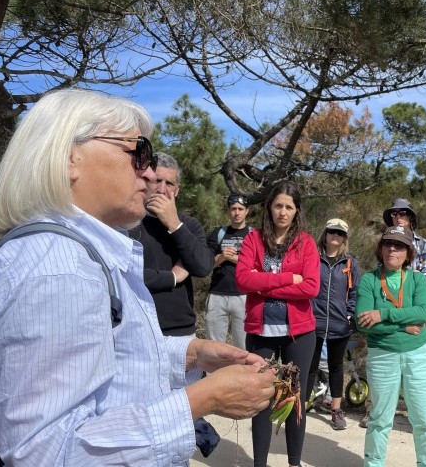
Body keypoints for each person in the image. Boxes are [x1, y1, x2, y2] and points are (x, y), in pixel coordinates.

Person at [0, 89, 275, 465]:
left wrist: (190, 353)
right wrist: (204, 399)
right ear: (71, 158)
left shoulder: (74, 254)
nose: (150, 172)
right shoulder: (61, 270)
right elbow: (46, 454)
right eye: (138, 151)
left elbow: (106, 353)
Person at [235, 181, 319, 467]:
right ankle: (260, 463)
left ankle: (293, 463)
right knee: (261, 400)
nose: (283, 212)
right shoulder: (253, 239)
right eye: (278, 205)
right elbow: (243, 279)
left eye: (289, 207)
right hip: (261, 333)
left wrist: (263, 283)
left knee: (293, 400)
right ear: (269, 208)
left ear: (297, 211)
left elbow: (310, 288)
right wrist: (285, 279)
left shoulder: (305, 242)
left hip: (299, 335)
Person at [356, 225, 426, 467]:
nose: (393, 248)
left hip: (419, 354)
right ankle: (373, 464)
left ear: (408, 253)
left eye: (400, 245)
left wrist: (382, 314)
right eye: (388, 243)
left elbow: (422, 313)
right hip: (383, 355)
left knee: (423, 419)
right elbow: (362, 322)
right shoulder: (369, 280)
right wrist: (402, 326)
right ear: (380, 249)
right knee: (380, 418)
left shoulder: (417, 279)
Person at [134, 152, 214, 337]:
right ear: (145, 181)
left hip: (181, 332)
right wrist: (171, 277)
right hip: (137, 328)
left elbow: (203, 267)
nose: (162, 190)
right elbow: (123, 274)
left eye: (169, 183)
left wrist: (174, 224)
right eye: (157, 181)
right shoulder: (127, 222)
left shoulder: (189, 225)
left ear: (177, 190)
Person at [306, 218, 362, 430]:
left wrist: (349, 315)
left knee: (335, 367)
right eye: (332, 232)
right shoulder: (313, 258)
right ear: (325, 234)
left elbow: (355, 292)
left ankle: (336, 410)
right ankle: (301, 405)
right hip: (314, 322)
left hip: (340, 324)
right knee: (310, 367)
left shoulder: (350, 263)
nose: (335, 236)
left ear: (345, 238)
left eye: (340, 233)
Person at [205, 194, 251, 349]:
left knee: (243, 346)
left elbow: (258, 265)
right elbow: (206, 263)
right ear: (228, 211)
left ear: (247, 211)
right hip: (217, 294)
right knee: (215, 346)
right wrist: (222, 257)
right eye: (233, 209)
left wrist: (233, 258)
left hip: (245, 296)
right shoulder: (218, 233)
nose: (236, 212)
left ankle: (243, 374)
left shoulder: (254, 235)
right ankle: (215, 373)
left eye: (240, 209)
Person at [382, 198, 426, 283]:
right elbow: (381, 267)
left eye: (402, 213)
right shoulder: (385, 242)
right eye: (394, 214)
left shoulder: (424, 244)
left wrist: (415, 281)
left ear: (410, 217)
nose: (398, 217)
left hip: (415, 293)